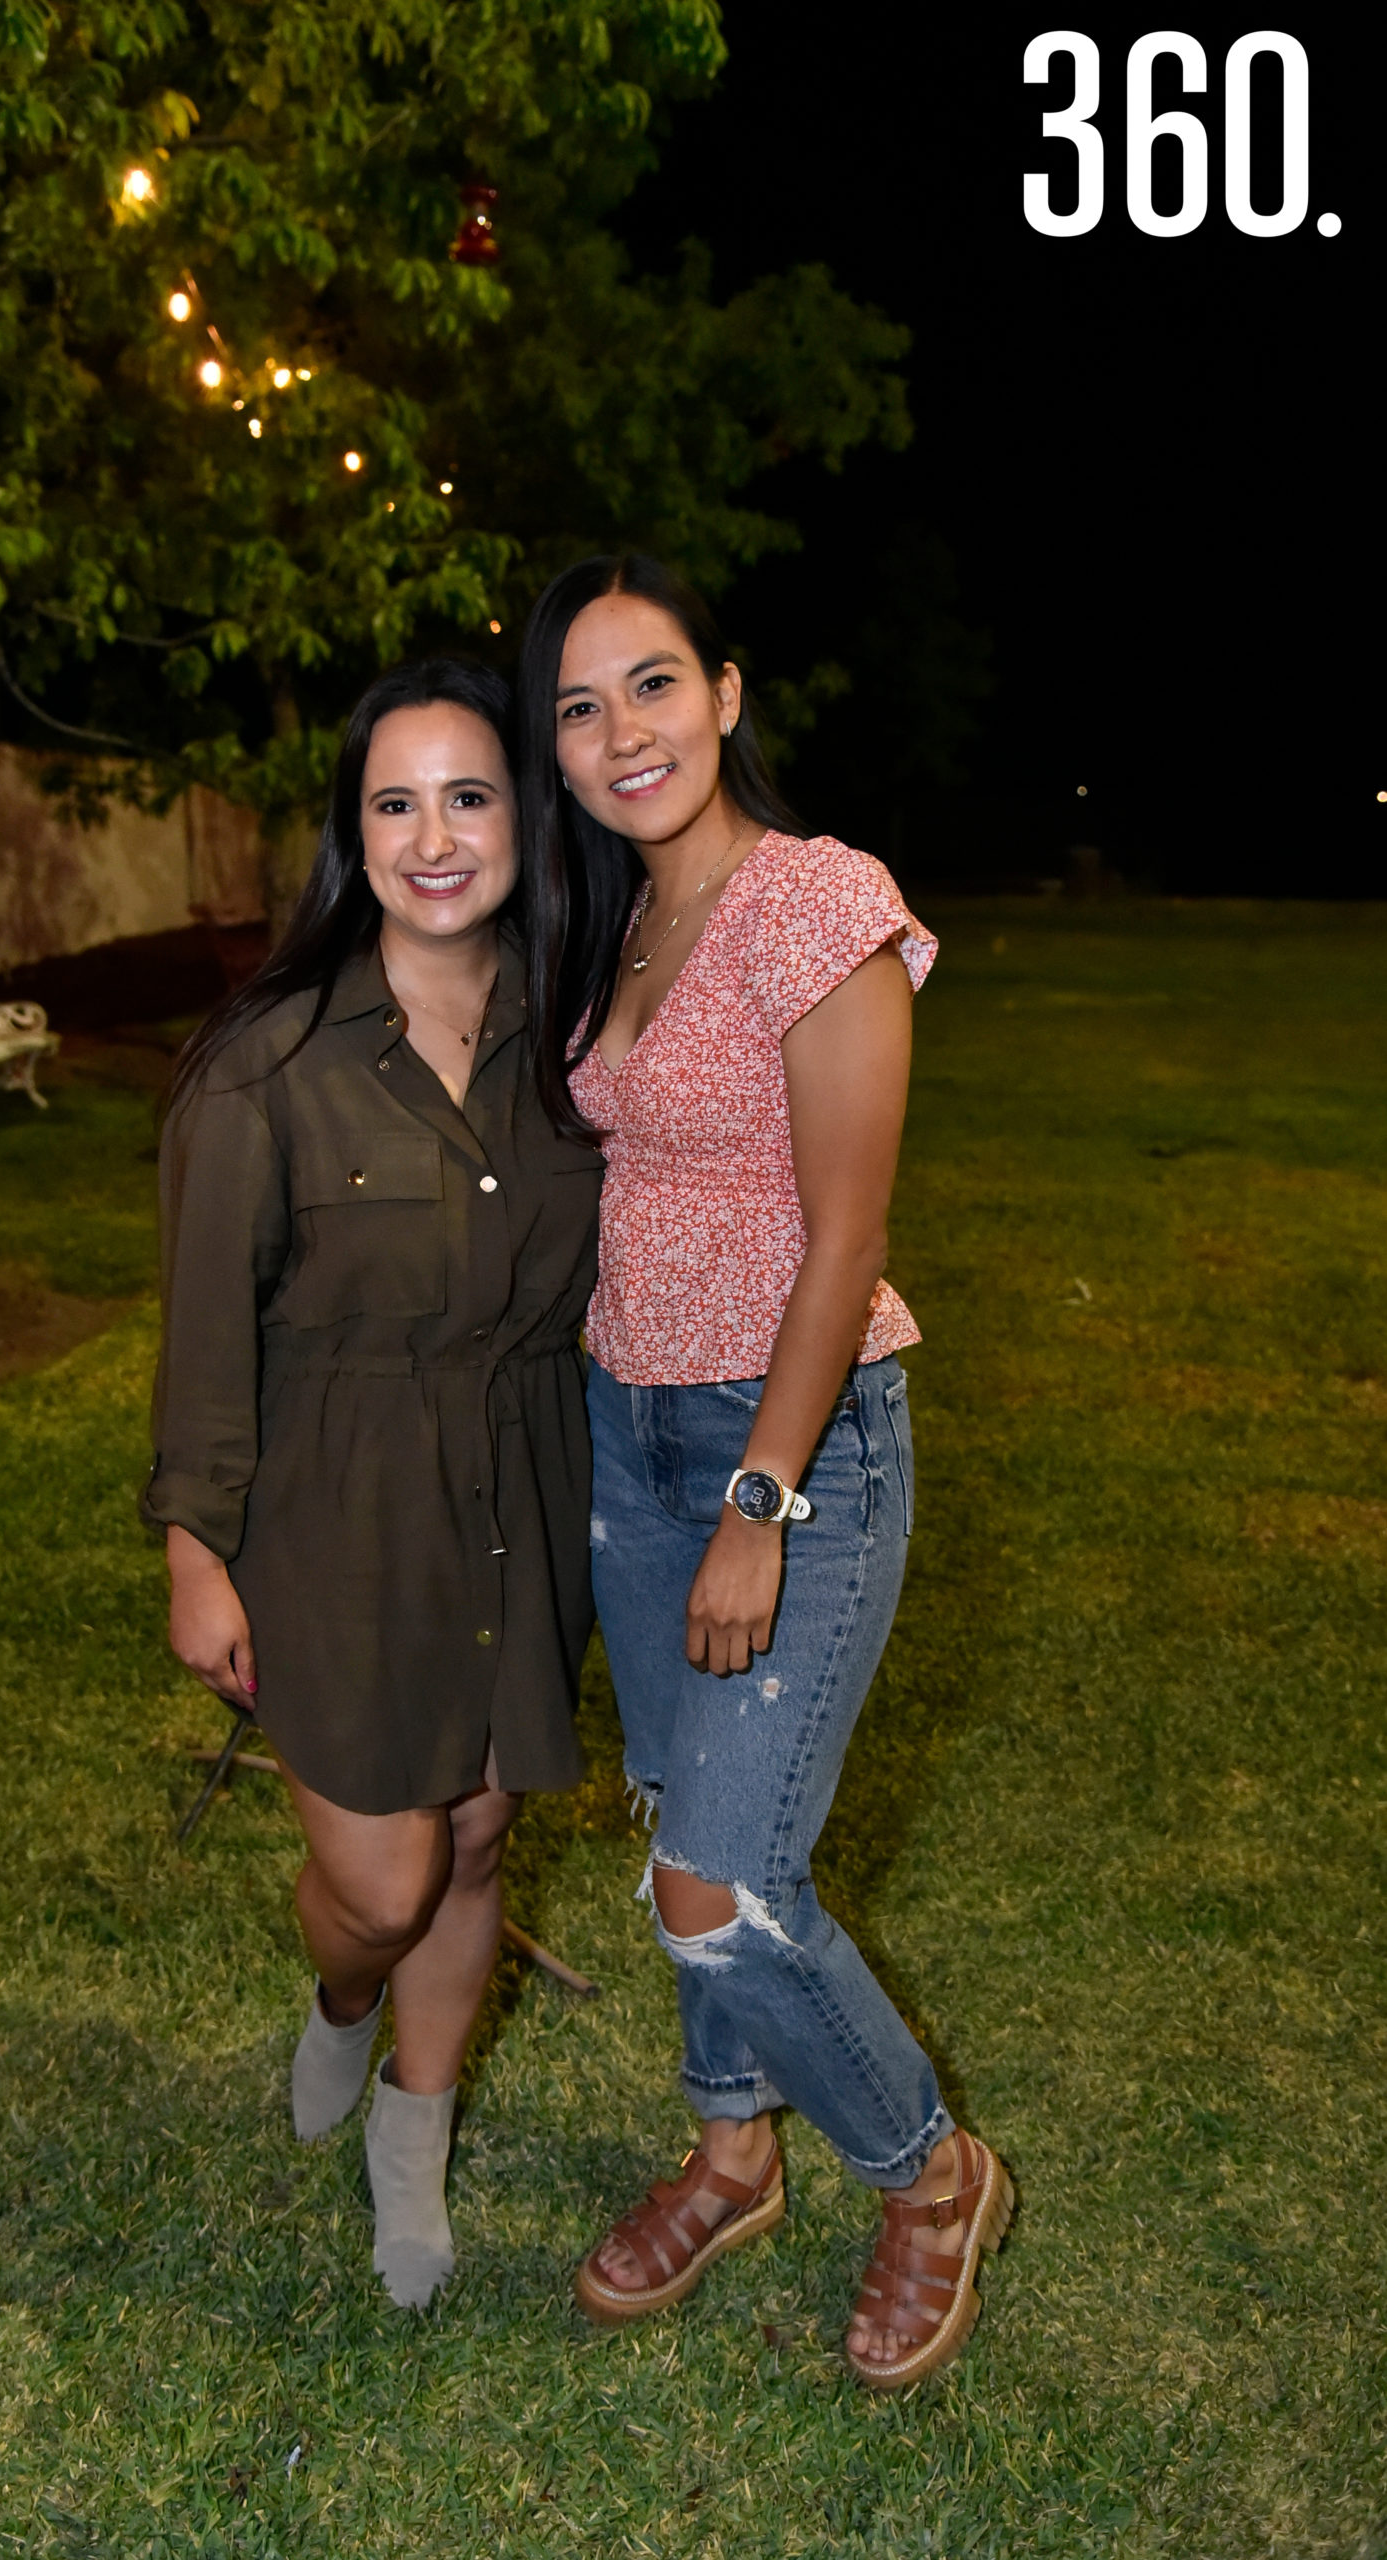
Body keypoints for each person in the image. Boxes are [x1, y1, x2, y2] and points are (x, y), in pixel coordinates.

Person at [519, 554, 1012, 2389]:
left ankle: (929, 2173)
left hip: (779, 1446)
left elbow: (842, 1230)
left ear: (724, 695)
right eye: (578, 706)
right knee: (678, 1833)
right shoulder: (609, 921)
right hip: (625, 1425)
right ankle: (732, 2154)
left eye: (649, 685)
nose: (619, 730)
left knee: (727, 1882)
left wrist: (759, 1505)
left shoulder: (817, 903)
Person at [143, 660, 603, 2310]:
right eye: (392, 802)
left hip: (518, 1488)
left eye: (468, 795)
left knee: (474, 1846)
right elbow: (206, 1327)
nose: (432, 835)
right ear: (352, 835)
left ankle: (414, 2139)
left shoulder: (577, 1049)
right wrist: (201, 1550)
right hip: (330, 1506)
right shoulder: (271, 1063)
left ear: (520, 820)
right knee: (383, 1879)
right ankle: (343, 2000)